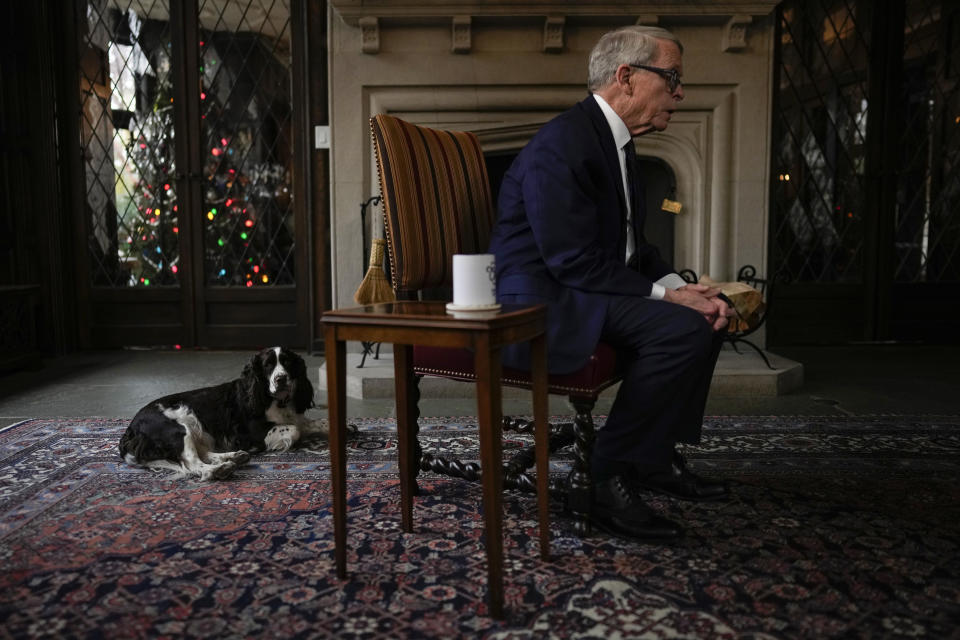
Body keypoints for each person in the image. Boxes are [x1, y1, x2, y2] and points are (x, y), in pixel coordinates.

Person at [487, 25, 734, 540]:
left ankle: (653, 459)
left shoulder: (615, 144)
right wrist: (673, 298)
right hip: (547, 303)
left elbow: (631, 252)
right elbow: (571, 260)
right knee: (683, 328)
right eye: (672, 78)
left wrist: (685, 289)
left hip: (584, 287)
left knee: (709, 316)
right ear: (626, 77)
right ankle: (604, 478)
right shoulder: (564, 144)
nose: (681, 93)